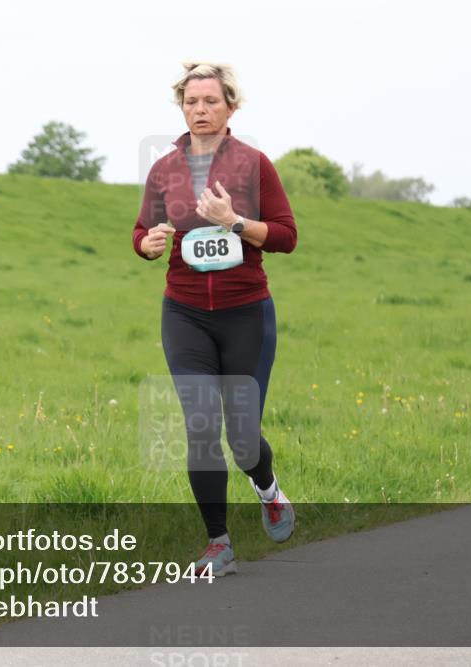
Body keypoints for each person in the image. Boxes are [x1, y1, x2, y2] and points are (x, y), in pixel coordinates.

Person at [132, 61, 298, 576]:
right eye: (191, 102)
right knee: (201, 425)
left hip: (245, 313)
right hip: (184, 314)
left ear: (230, 107)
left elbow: (287, 236)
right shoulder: (164, 170)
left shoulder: (254, 165)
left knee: (243, 438)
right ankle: (218, 544)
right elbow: (140, 231)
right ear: (181, 107)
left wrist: (237, 223)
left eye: (210, 101)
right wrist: (147, 244)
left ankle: (268, 490)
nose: (200, 110)